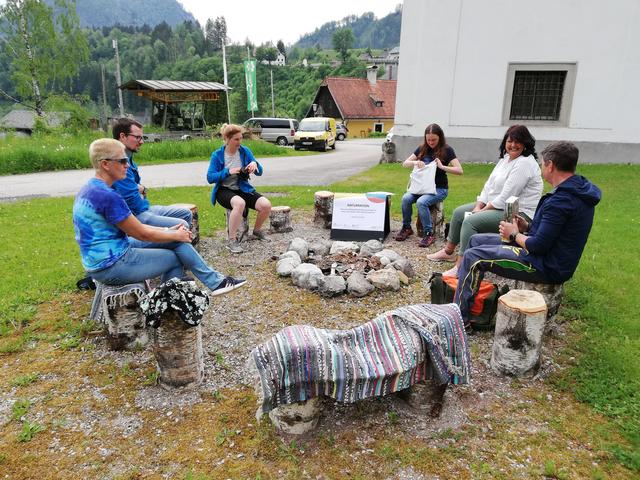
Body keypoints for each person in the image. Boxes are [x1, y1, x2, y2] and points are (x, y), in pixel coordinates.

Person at [454, 141, 601, 326]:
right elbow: (552, 233)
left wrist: (514, 234)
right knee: (475, 240)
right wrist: (527, 227)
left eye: (542, 163)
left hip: (545, 265)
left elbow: (538, 246)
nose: (541, 167)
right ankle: (471, 298)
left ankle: (460, 318)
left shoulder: (562, 201)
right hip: (546, 254)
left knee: (473, 257)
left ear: (550, 165)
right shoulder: (575, 191)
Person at [73, 138, 246, 295]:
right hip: (110, 265)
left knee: (176, 239)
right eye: (122, 160)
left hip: (110, 254)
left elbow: (135, 229)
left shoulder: (92, 188)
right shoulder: (107, 195)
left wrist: (169, 231)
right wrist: (173, 234)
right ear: (105, 164)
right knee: (173, 258)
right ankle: (165, 305)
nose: (127, 165)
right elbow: (141, 233)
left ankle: (215, 283)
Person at [428, 125, 543, 277]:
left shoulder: (524, 164)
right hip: (497, 206)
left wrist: (480, 212)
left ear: (526, 143)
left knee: (471, 221)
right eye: (510, 141)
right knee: (458, 213)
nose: (513, 145)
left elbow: (506, 198)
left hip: (517, 214)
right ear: (505, 142)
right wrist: (478, 205)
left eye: (518, 142)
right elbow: (488, 186)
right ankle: (449, 251)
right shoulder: (506, 159)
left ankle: (461, 266)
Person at [112, 118, 193, 229]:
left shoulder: (129, 161)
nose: (141, 141)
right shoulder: (118, 163)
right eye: (137, 137)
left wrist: (141, 190)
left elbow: (140, 196)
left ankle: (172, 243)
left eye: (142, 137)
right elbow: (133, 203)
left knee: (186, 213)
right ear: (122, 136)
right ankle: (169, 243)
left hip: (143, 208)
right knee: (182, 225)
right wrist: (141, 190)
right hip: (134, 216)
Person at [394, 124, 463, 247]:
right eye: (428, 139)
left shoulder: (447, 150)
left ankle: (429, 233)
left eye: (434, 140)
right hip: (421, 188)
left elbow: (459, 170)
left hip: (439, 189)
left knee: (421, 202)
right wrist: (416, 162)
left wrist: (442, 167)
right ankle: (406, 228)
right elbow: (405, 163)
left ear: (440, 138)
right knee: (405, 198)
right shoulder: (422, 148)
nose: (431, 142)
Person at [207, 124, 272, 254]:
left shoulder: (244, 151)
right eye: (236, 139)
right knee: (240, 203)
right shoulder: (217, 155)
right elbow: (210, 177)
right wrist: (228, 171)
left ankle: (257, 231)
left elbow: (259, 172)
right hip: (224, 190)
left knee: (266, 205)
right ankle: (232, 240)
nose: (239, 142)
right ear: (227, 139)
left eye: (240, 138)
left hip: (242, 188)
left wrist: (255, 164)